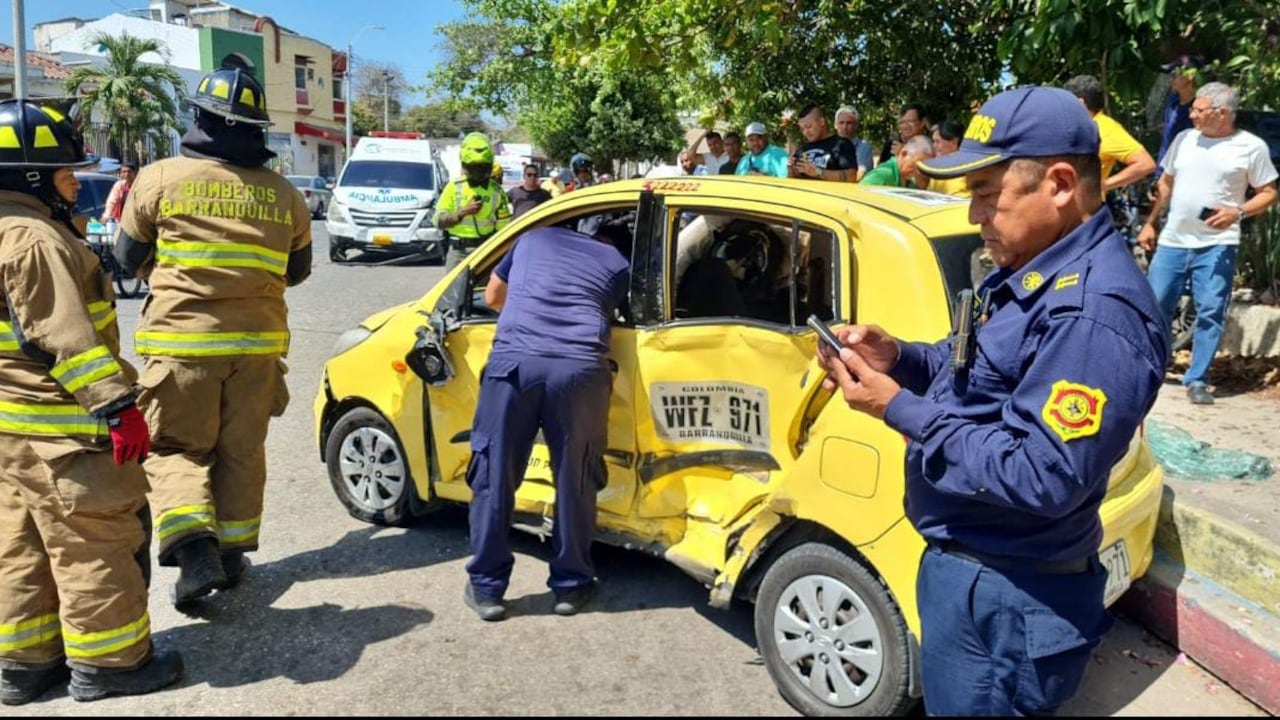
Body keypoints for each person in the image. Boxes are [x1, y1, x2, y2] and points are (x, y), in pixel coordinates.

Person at [820, 86, 1168, 715]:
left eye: (986, 193)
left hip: (1012, 591)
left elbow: (1042, 473)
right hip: (977, 573)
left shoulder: (1093, 314)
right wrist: (899, 356)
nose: (975, 215)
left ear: (1059, 183)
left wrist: (896, 406)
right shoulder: (1030, 269)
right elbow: (980, 375)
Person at [0, 99, 183, 704]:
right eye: (64, 172)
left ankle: (27, 666)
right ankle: (113, 665)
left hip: (11, 431)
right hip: (62, 433)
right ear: (29, 177)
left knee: (20, 546)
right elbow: (67, 339)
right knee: (93, 545)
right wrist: (118, 409)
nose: (76, 181)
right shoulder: (33, 238)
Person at [114, 65, 312, 607]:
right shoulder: (286, 195)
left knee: (175, 448)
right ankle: (229, 554)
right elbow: (297, 271)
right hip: (258, 351)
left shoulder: (159, 179)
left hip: (182, 348)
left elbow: (126, 258)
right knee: (240, 452)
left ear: (199, 119)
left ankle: (194, 547)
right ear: (256, 129)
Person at [463, 219, 631, 622]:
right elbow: (617, 318)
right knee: (575, 478)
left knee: (494, 475)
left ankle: (488, 589)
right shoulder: (617, 262)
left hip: (515, 363)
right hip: (578, 368)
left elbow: (492, 296)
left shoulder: (530, 239)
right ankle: (570, 588)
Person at [1138, 81, 1279, 405]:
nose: (1192, 114)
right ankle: (1151, 369)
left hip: (1217, 244)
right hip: (1173, 240)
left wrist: (1237, 211)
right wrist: (1149, 223)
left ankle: (1197, 379)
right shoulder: (1185, 139)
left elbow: (1269, 193)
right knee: (1155, 305)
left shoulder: (1250, 147)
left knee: (1210, 310)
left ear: (1221, 113)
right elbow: (1166, 183)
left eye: (1198, 110)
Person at [1063, 75, 1156, 194]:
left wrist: (1103, 185)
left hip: (1087, 207)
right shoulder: (1075, 125)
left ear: (1080, 103)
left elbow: (1145, 164)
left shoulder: (1106, 129)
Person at [434, 133, 512, 271]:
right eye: (474, 167)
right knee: (453, 291)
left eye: (482, 167)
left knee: (484, 291)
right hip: (458, 252)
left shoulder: (496, 191)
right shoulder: (454, 187)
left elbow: (504, 229)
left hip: (486, 251)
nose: (479, 172)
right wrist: (463, 212)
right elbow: (438, 221)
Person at [1154, 55, 1203, 181]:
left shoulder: (1203, 109)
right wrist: (1158, 174)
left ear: (1190, 76)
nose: (1171, 79)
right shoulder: (1172, 103)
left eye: (1175, 74)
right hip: (1167, 172)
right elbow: (1166, 142)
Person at [789, 104, 860, 182]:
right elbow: (792, 180)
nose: (806, 132)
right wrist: (792, 171)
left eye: (809, 126)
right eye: (802, 129)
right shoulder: (801, 150)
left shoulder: (842, 144)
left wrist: (818, 172)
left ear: (822, 122)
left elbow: (851, 177)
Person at [860, 135, 934, 188]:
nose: (919, 172)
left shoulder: (911, 182)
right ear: (904, 154)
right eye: (916, 166)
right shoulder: (882, 175)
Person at [928, 121, 970, 197]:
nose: (934, 146)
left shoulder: (968, 167)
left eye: (938, 142)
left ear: (954, 142)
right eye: (933, 141)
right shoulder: (937, 168)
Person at [833, 105, 874, 181]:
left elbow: (858, 176)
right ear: (835, 125)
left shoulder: (864, 147)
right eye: (841, 123)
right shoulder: (830, 146)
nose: (844, 127)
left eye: (849, 123)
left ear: (856, 125)